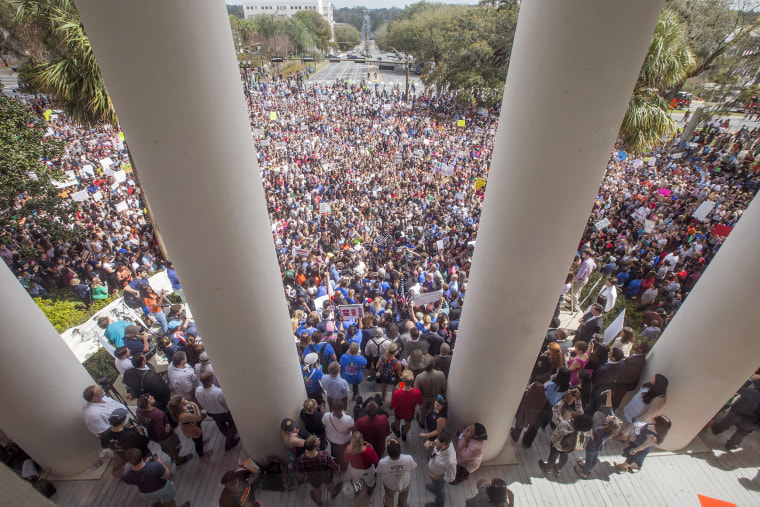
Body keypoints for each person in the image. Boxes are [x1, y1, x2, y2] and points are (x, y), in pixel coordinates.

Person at [538, 390, 594, 477]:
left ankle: (548, 469)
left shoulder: (565, 426)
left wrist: (564, 400)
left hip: (557, 443)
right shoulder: (584, 429)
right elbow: (580, 409)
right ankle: (558, 468)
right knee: (564, 455)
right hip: (570, 446)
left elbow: (555, 409)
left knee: (553, 455)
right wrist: (578, 398)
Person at [575, 390, 622, 478]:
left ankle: (585, 473)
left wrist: (591, 433)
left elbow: (597, 443)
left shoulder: (603, 433)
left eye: (609, 417)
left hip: (593, 447)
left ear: (609, 424)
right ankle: (588, 467)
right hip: (598, 447)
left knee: (590, 460)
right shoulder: (611, 426)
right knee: (594, 458)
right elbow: (609, 408)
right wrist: (609, 396)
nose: (608, 416)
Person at [136, 394, 191, 467]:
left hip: (152, 434)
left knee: (167, 447)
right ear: (148, 405)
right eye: (151, 399)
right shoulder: (157, 415)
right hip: (165, 437)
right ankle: (178, 461)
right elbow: (161, 433)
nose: (153, 397)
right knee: (170, 448)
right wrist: (167, 431)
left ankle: (172, 454)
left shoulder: (139, 410)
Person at [122, 448, 190, 507]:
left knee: (154, 501)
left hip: (146, 493)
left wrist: (145, 464)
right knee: (170, 501)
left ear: (130, 462)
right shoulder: (155, 466)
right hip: (163, 489)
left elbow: (136, 476)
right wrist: (161, 463)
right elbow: (168, 475)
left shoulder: (126, 474)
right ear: (141, 456)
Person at [711, 375, 760, 451]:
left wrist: (750, 380)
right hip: (752, 420)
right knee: (741, 433)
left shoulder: (751, 391)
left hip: (738, 412)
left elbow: (739, 389)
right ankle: (730, 445)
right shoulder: (752, 392)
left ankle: (716, 429)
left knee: (727, 422)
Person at [195, 371, 239, 451]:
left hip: (210, 412)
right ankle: (229, 441)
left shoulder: (198, 390)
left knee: (220, 424)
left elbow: (198, 400)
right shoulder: (218, 392)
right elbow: (226, 403)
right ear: (211, 380)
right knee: (233, 424)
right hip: (222, 413)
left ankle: (227, 435)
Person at [101, 408, 150, 478]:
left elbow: (104, 445)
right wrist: (140, 433)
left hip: (125, 456)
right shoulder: (132, 434)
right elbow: (145, 441)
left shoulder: (105, 435)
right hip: (141, 454)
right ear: (123, 420)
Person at [296, 435, 341, 505]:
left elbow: (301, 470)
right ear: (314, 448)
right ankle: (334, 493)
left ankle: (319, 501)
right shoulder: (324, 455)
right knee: (330, 484)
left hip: (312, 477)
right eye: (317, 440)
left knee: (317, 489)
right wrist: (337, 469)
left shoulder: (301, 459)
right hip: (326, 475)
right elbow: (333, 466)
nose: (319, 439)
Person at [377, 438, 417, 507]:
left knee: (389, 499)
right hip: (404, 482)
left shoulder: (383, 462)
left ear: (388, 452)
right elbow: (413, 467)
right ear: (399, 449)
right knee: (403, 499)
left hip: (390, 484)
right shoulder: (408, 458)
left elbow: (378, 471)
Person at [167, 395, 208, 459]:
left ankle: (200, 444)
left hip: (190, 424)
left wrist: (190, 405)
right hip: (192, 428)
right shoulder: (184, 415)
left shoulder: (178, 410)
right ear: (180, 405)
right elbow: (199, 417)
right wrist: (195, 405)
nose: (186, 401)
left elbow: (189, 406)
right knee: (197, 441)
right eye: (183, 401)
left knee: (197, 439)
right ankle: (201, 454)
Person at [611, 341, 649, 408]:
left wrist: (616, 380)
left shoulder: (638, 362)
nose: (634, 344)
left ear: (640, 350)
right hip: (620, 381)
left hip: (623, 384)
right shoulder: (635, 355)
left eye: (637, 345)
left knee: (615, 399)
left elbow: (629, 376)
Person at [424, 430, 456, 507]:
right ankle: (435, 488)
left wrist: (434, 477)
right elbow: (435, 442)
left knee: (440, 492)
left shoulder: (450, 461)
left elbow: (450, 478)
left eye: (439, 447)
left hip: (440, 478)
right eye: (436, 445)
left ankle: (439, 504)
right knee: (436, 486)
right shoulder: (442, 441)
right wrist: (430, 443)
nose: (436, 448)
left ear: (446, 446)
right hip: (434, 473)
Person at [344, 431, 380, 496]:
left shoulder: (348, 449)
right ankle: (369, 492)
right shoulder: (369, 451)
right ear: (362, 440)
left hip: (354, 470)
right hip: (367, 471)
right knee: (370, 482)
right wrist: (371, 447)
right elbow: (376, 461)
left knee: (356, 481)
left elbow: (346, 460)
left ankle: (357, 492)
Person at [322, 399, 354, 472]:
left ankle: (335, 462)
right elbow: (351, 428)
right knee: (344, 453)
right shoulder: (348, 418)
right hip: (344, 440)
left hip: (332, 439)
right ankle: (344, 467)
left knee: (334, 451)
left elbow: (324, 425)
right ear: (342, 409)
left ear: (332, 408)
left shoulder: (326, 416)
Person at [414, 357, 447, 428]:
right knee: (433, 410)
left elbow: (416, 390)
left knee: (422, 411)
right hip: (436, 396)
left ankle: (421, 423)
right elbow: (444, 387)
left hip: (424, 397)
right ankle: (431, 421)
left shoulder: (420, 377)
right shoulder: (441, 374)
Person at [391, 370, 423, 442]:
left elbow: (393, 405)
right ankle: (404, 434)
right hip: (410, 412)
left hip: (399, 411)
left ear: (403, 380)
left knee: (397, 419)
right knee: (408, 422)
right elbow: (420, 402)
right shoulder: (417, 392)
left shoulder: (397, 392)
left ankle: (398, 431)